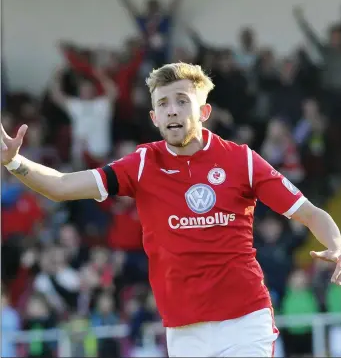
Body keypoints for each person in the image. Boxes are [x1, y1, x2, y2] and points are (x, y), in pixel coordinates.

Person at [1, 62, 341, 358]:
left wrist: (337, 247)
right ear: (154, 117)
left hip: (245, 320)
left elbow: (311, 213)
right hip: (183, 330)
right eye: (163, 103)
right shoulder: (142, 164)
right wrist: (14, 162)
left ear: (204, 111)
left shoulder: (242, 160)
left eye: (182, 100)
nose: (173, 110)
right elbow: (60, 186)